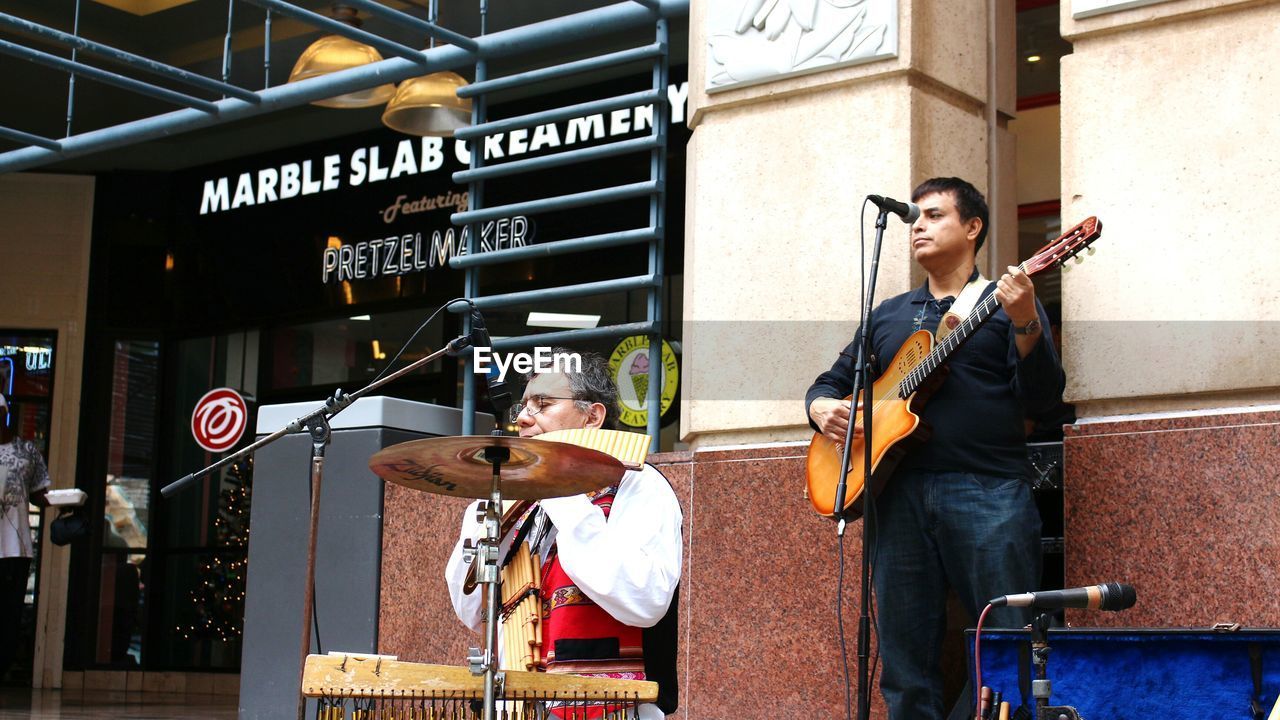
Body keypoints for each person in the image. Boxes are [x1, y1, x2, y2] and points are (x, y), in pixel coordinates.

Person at [805, 177, 1065, 719]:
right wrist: (820, 408)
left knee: (1007, 649)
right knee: (903, 664)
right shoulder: (890, 315)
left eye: (935, 215)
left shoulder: (1006, 302)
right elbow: (830, 383)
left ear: (972, 228)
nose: (918, 225)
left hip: (988, 490)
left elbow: (1042, 398)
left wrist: (1024, 323)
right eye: (915, 217)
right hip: (896, 496)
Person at [444, 350, 682, 718]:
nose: (523, 418)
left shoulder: (640, 486)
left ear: (592, 417)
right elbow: (472, 611)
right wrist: (484, 514)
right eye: (523, 407)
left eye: (543, 404)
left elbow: (646, 600)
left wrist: (561, 492)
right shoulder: (515, 501)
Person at [0, 392, 50, 682]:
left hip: (15, 548)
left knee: (9, 614)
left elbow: (39, 494)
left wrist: (65, 502)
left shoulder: (26, 451)